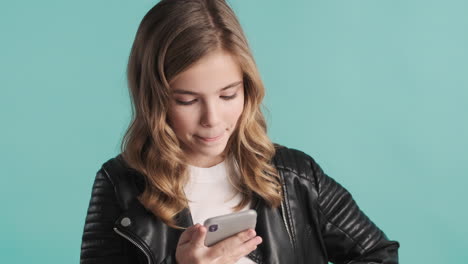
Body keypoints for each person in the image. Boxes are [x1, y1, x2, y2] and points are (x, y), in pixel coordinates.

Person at [79, 0, 400, 263]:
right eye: (188, 100)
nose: (212, 119)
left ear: (248, 88)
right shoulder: (119, 183)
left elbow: (378, 255)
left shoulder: (296, 175)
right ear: (154, 99)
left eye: (228, 94)